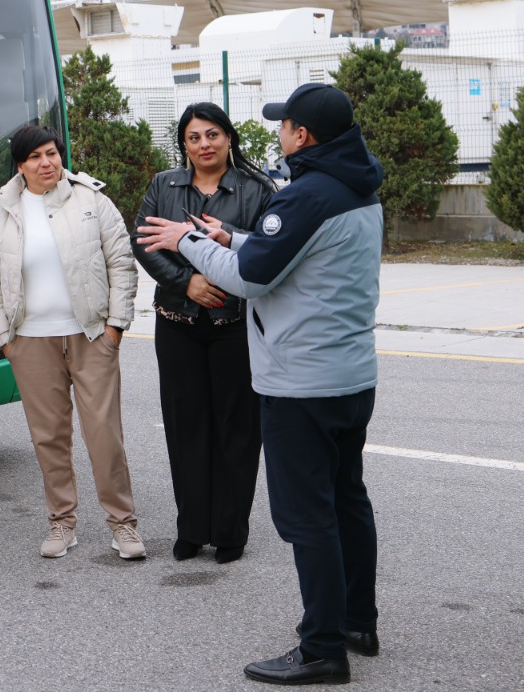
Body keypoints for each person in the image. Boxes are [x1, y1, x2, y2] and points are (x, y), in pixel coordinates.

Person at [137, 82, 383, 686]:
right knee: (348, 499)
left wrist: (187, 239)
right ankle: (357, 621)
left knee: (308, 518)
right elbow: (289, 255)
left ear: (302, 135)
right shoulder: (356, 187)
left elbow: (249, 281)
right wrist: (234, 236)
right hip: (351, 376)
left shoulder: (302, 196)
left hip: (302, 382)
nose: (278, 132)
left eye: (285, 124)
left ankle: (322, 648)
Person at [0, 124, 144, 561]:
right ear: (20, 165)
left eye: (51, 153)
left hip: (90, 334)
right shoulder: (2, 211)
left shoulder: (91, 200)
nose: (46, 163)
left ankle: (123, 524)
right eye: (35, 157)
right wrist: (4, 338)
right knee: (49, 436)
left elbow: (121, 263)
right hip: (30, 340)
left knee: (104, 433)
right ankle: (62, 521)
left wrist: (115, 327)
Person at [133, 102, 275, 565]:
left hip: (235, 325)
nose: (204, 145)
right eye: (194, 137)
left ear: (229, 138)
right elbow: (145, 242)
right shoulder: (164, 185)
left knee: (237, 428)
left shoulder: (257, 189)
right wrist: (187, 281)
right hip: (178, 324)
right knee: (185, 427)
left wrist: (224, 236)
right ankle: (192, 528)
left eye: (212, 134)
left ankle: (230, 531)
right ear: (184, 145)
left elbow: (269, 252)